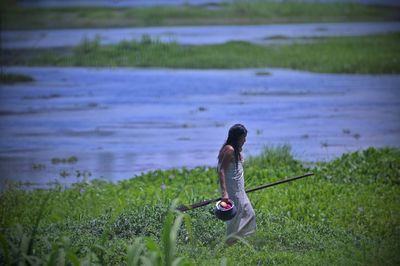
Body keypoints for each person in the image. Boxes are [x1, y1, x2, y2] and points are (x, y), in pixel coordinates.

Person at [217, 124, 256, 245]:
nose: (245, 140)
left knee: (249, 214)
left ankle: (239, 242)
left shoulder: (235, 149)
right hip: (232, 189)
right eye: (243, 138)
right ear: (236, 137)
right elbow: (221, 170)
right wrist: (225, 193)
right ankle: (227, 245)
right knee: (236, 217)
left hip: (239, 189)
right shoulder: (229, 149)